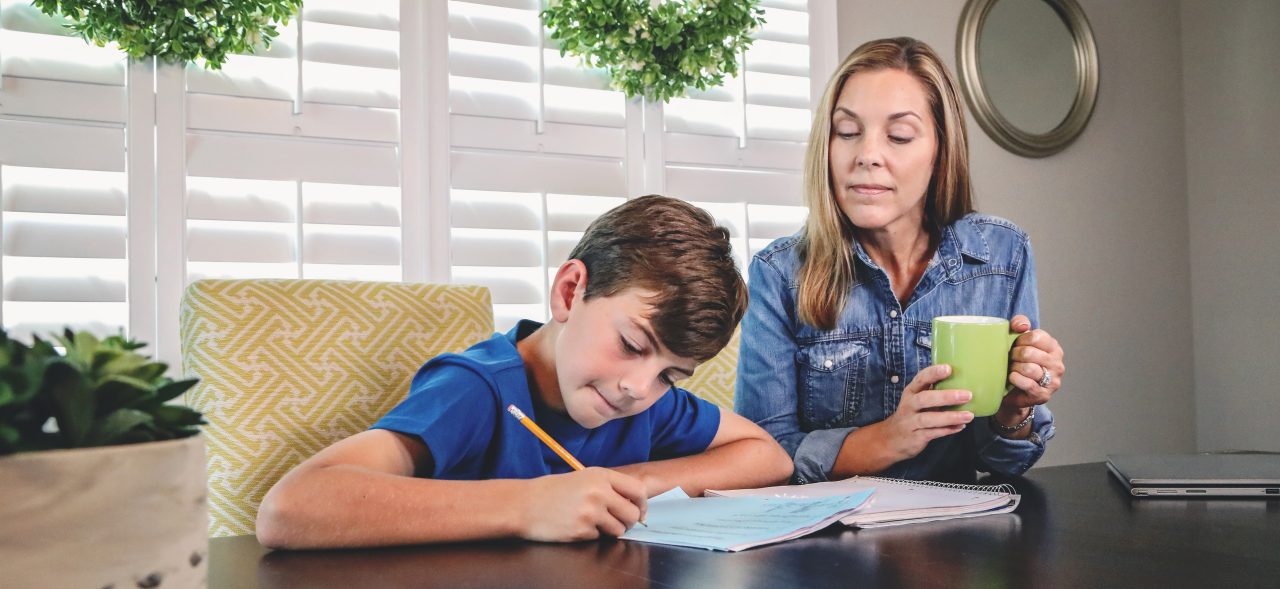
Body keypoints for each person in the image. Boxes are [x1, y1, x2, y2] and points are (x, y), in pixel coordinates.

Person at [256, 195, 793, 549]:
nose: (639, 388)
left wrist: (633, 483)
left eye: (671, 376)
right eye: (631, 344)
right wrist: (527, 503)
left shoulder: (641, 398)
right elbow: (290, 507)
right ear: (569, 292)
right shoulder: (478, 389)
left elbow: (766, 455)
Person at [735, 37, 1065, 484]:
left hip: (959, 542)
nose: (867, 155)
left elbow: (1006, 463)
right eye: (847, 132)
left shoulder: (1002, 256)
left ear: (939, 152)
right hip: (825, 547)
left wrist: (1016, 408)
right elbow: (762, 462)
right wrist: (886, 439)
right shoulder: (778, 274)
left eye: (899, 136)